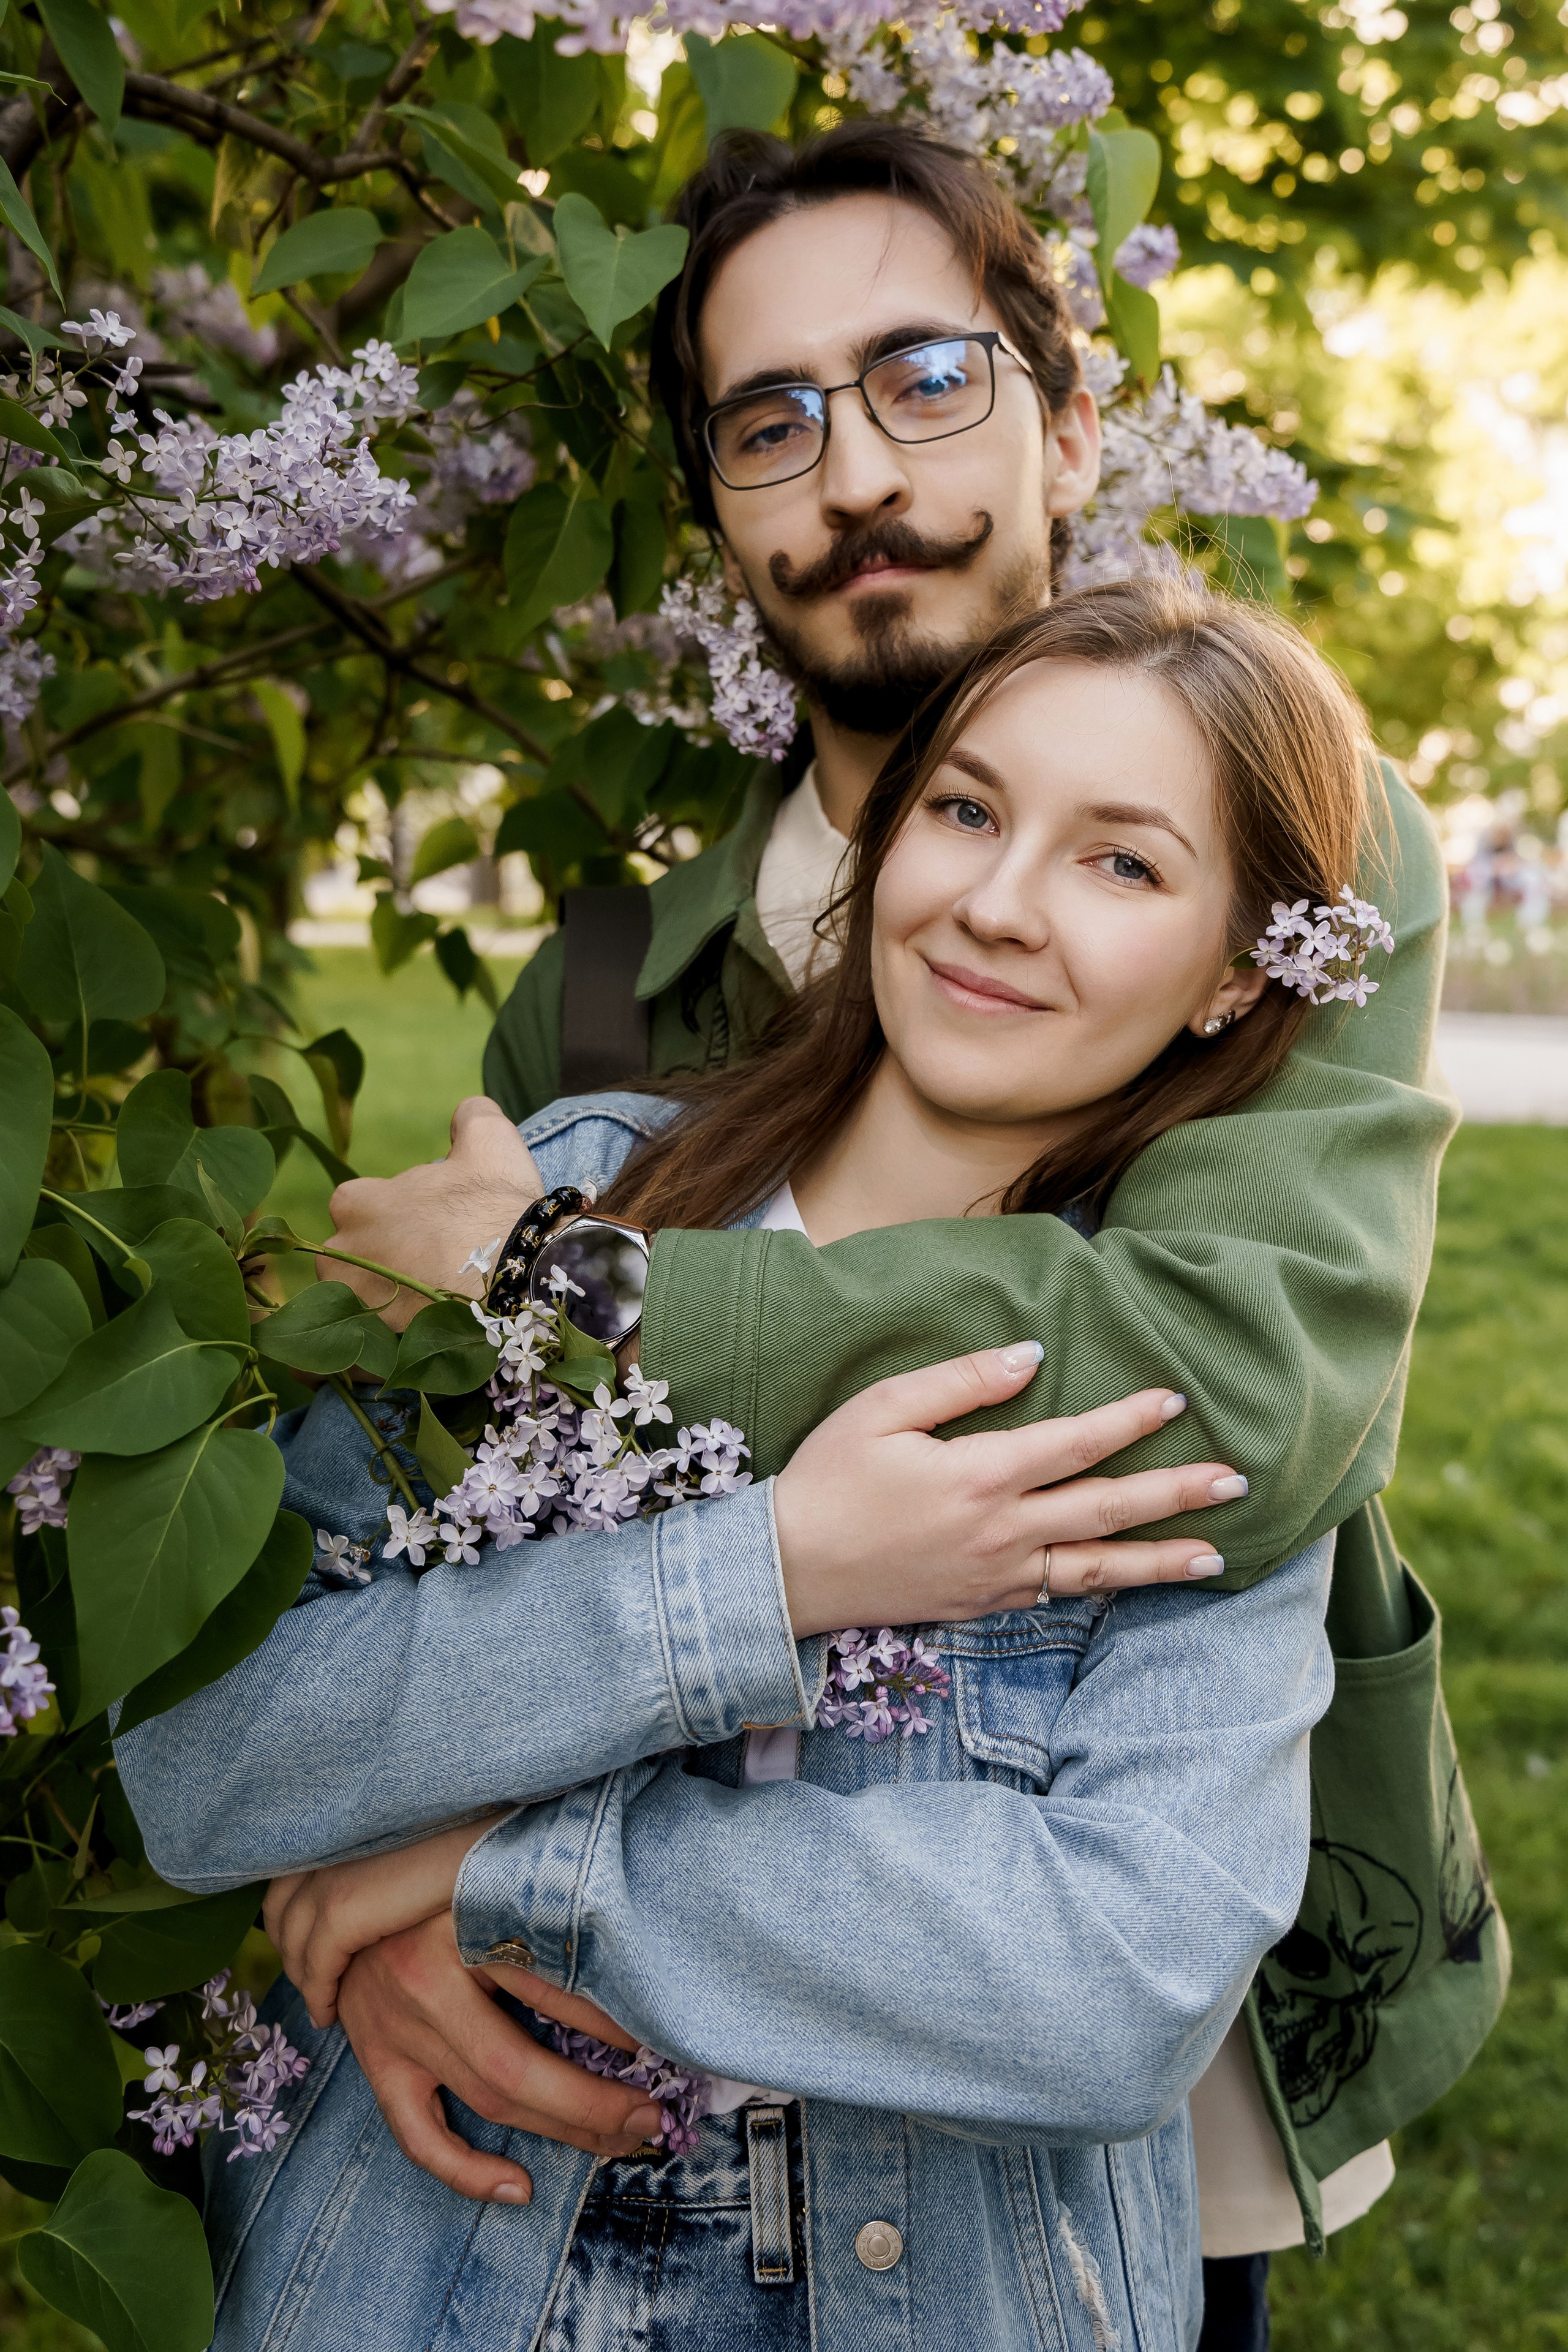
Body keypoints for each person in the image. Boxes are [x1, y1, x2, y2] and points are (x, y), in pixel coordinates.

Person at [318, 121, 1503, 2346]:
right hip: (593, 2090)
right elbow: (446, 1527)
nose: (853, 471)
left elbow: (1224, 1383)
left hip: (1074, 2025)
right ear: (718, 507)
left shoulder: (1301, 847)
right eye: (769, 421)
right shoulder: (605, 967)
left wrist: (587, 1291)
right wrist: (369, 1901)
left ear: (1069, 416)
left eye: (923, 378)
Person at [128, 579, 1427, 2350]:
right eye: (966, 811)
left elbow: (1111, 1985)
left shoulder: (1197, 1385)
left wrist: (511, 1867)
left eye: (1122, 864)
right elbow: (207, 1750)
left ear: (1231, 977)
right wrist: (767, 1575)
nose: (995, 903)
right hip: (435, 2273)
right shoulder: (571, 1200)